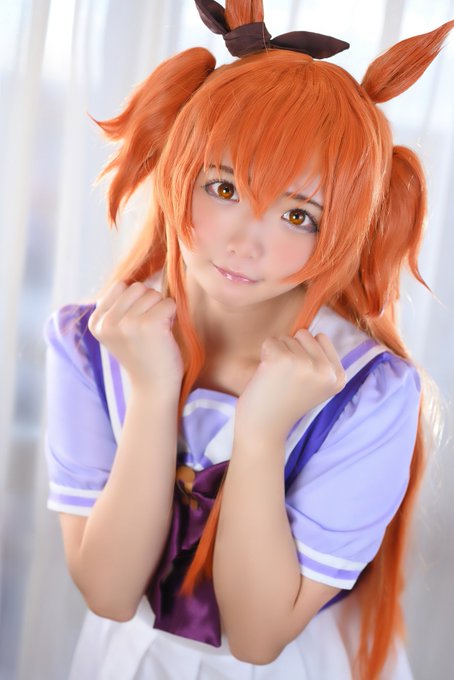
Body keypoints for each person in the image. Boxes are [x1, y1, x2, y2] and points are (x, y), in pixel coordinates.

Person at [43, 1, 453, 678]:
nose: (245, 241)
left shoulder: (367, 391)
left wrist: (262, 434)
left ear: (342, 230)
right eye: (224, 186)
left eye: (298, 215)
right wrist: (152, 393)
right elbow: (110, 595)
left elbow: (258, 638)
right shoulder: (93, 341)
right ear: (179, 170)